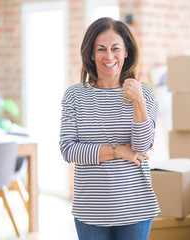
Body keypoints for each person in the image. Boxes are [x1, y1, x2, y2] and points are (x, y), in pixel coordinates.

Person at [59, 17, 160, 240]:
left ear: (126, 52)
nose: (109, 56)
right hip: (90, 210)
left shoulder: (145, 94)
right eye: (101, 49)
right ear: (91, 55)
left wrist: (138, 100)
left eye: (116, 48)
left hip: (135, 207)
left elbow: (142, 146)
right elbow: (68, 150)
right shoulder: (75, 95)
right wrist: (117, 150)